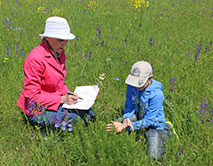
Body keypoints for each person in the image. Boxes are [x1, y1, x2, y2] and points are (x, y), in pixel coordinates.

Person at [17, 16, 95, 129]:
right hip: (38, 109)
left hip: (55, 101)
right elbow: (32, 98)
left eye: (66, 40)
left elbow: (60, 83)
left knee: (90, 113)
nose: (64, 44)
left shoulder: (59, 52)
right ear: (47, 37)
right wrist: (62, 99)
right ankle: (43, 133)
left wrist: (69, 94)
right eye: (60, 40)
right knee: (76, 119)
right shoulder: (35, 59)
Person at [106, 61, 178, 160]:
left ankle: (167, 129)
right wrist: (126, 118)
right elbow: (129, 105)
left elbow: (149, 121)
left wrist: (125, 126)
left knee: (154, 157)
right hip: (139, 116)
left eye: (140, 83)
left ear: (150, 78)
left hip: (154, 124)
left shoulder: (157, 94)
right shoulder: (132, 86)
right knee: (115, 124)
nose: (136, 86)